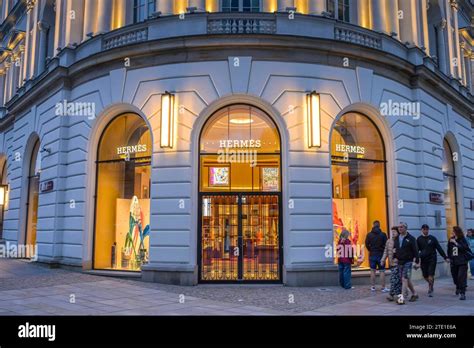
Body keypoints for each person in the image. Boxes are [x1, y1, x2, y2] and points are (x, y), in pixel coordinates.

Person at [416, 224, 449, 297]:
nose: (425, 231)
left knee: (430, 275)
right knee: (425, 276)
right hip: (423, 259)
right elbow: (416, 250)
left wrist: (445, 257)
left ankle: (430, 288)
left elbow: (439, 248)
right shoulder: (419, 239)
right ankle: (430, 283)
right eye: (424, 229)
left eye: (426, 229)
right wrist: (416, 260)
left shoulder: (433, 238)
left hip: (432, 259)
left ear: (428, 230)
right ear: (421, 230)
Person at [394, 222, 420, 304]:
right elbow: (395, 249)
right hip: (400, 261)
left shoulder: (411, 238)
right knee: (407, 280)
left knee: (404, 279)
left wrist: (417, 262)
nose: (400, 229)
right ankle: (415, 294)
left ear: (406, 228)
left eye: (401, 227)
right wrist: (394, 257)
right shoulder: (397, 238)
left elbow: (416, 251)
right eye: (399, 227)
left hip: (408, 261)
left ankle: (402, 298)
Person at [447, 226, 472, 300]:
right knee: (455, 278)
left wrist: (456, 242)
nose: (452, 232)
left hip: (462, 262)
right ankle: (458, 286)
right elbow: (449, 250)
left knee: (461, 277)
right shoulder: (451, 240)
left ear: (457, 232)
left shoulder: (462, 239)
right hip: (453, 262)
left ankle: (462, 293)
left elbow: (464, 248)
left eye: (453, 231)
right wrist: (448, 257)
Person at [365, 220, 389, 292]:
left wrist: (370, 250)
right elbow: (386, 245)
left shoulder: (369, 235)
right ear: (379, 225)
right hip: (381, 255)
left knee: (372, 271)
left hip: (372, 254)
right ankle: (383, 287)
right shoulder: (383, 234)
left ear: (373, 225)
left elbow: (366, 244)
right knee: (382, 271)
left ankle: (372, 287)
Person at [381, 226, 401, 302]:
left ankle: (392, 295)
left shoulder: (400, 240)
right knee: (396, 280)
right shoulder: (388, 241)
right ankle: (398, 294)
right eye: (392, 232)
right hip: (391, 263)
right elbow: (385, 251)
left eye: (394, 232)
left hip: (398, 263)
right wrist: (383, 260)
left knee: (394, 279)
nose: (393, 233)